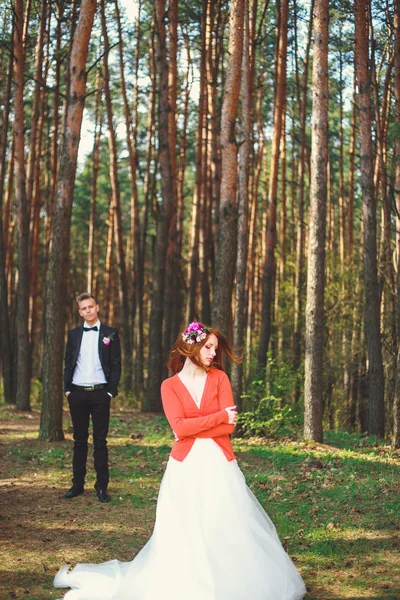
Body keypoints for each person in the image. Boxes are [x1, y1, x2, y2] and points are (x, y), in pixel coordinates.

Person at [54, 322, 306, 599]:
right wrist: (219, 417)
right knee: (186, 531)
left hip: (220, 463)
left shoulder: (220, 378)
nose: (212, 353)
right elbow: (181, 428)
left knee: (224, 524)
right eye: (207, 347)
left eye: (215, 348)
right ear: (190, 346)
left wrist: (204, 423)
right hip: (185, 467)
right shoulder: (169, 386)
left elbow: (227, 428)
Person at [63, 292, 121, 503]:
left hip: (100, 393)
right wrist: (67, 388)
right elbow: (68, 361)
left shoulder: (110, 333)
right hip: (77, 393)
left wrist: (110, 391)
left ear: (97, 307)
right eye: (83, 308)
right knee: (79, 441)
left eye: (90, 306)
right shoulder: (74, 334)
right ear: (79, 312)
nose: (87, 311)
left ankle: (101, 488)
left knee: (100, 442)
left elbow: (116, 364)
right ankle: (77, 484)